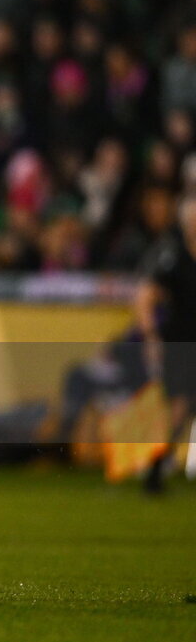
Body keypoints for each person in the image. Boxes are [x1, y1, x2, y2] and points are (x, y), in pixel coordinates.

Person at [136, 193, 196, 492]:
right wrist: (150, 335)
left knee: (182, 408)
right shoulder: (173, 256)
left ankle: (158, 467)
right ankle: (157, 467)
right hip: (182, 343)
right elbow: (146, 295)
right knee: (179, 406)